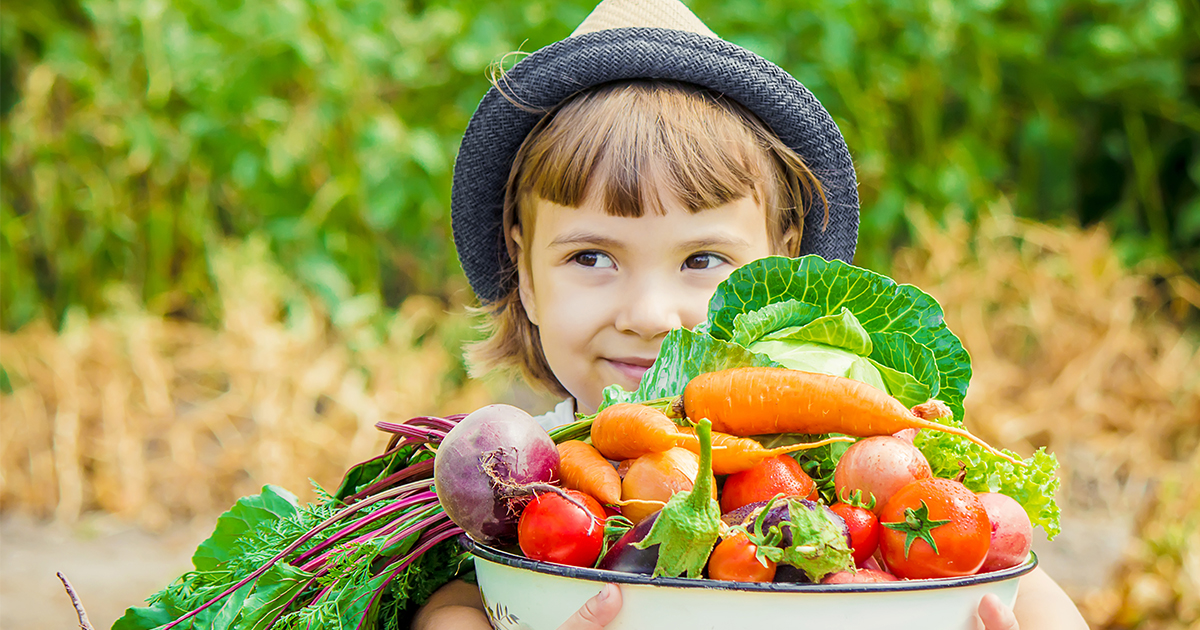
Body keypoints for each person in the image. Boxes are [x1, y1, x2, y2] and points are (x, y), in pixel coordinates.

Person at [415, 1, 1089, 629]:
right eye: (592, 257)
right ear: (525, 272)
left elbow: (1020, 584)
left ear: (780, 271)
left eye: (702, 259)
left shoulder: (861, 472)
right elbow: (449, 598)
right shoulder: (516, 474)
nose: (650, 315)